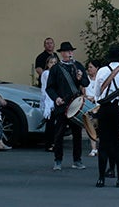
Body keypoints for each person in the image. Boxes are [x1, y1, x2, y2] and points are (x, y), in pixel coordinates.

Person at [45, 41, 89, 171]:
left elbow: (86, 83)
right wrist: (56, 98)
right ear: (62, 53)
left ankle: (77, 160)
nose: (70, 53)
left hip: (76, 105)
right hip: (62, 105)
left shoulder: (78, 66)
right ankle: (58, 160)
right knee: (58, 134)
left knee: (77, 134)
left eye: (71, 51)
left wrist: (81, 78)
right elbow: (50, 88)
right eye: (67, 51)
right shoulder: (56, 68)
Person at [94, 46, 119, 188]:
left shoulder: (101, 71)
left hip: (105, 110)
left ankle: (101, 178)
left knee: (103, 145)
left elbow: (97, 93)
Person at [39, 55, 58, 152]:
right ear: (47, 64)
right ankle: (49, 143)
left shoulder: (56, 73)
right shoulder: (46, 73)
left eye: (55, 62)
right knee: (50, 123)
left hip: (55, 100)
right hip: (49, 100)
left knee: (56, 124)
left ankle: (54, 142)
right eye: (51, 62)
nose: (53, 64)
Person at [85, 59, 100, 158]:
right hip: (89, 105)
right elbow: (82, 93)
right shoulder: (86, 80)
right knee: (90, 126)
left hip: (98, 105)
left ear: (96, 68)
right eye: (88, 67)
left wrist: (95, 98)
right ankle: (93, 148)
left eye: (91, 67)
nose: (89, 69)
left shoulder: (100, 79)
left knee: (100, 126)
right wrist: (87, 98)